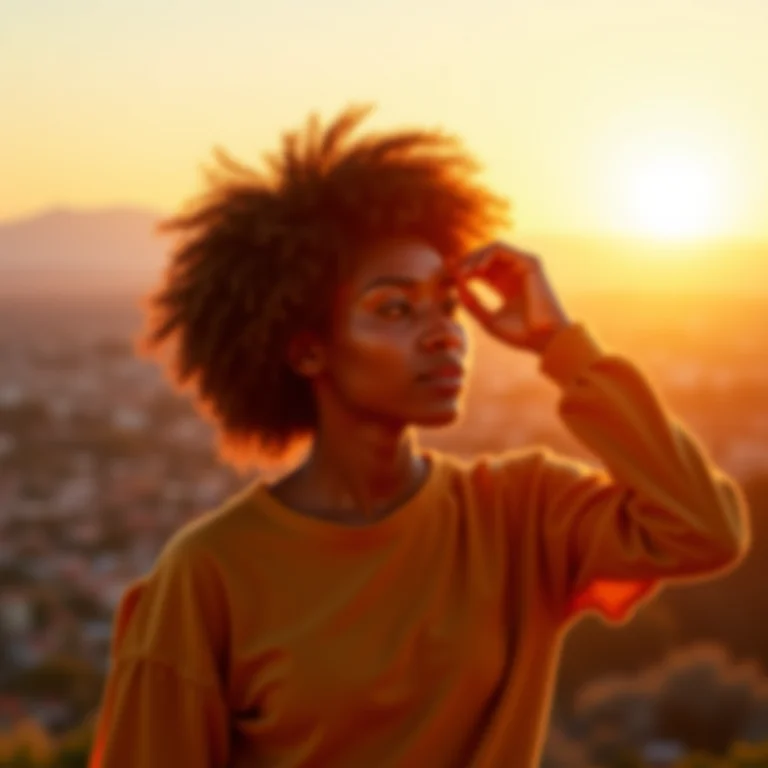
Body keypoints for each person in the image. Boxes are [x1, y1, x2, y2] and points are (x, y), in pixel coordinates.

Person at [88, 104, 750, 768]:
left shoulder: (519, 512)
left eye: (448, 305)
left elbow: (704, 529)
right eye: (395, 308)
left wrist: (562, 345)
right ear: (307, 351)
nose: (443, 333)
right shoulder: (210, 575)